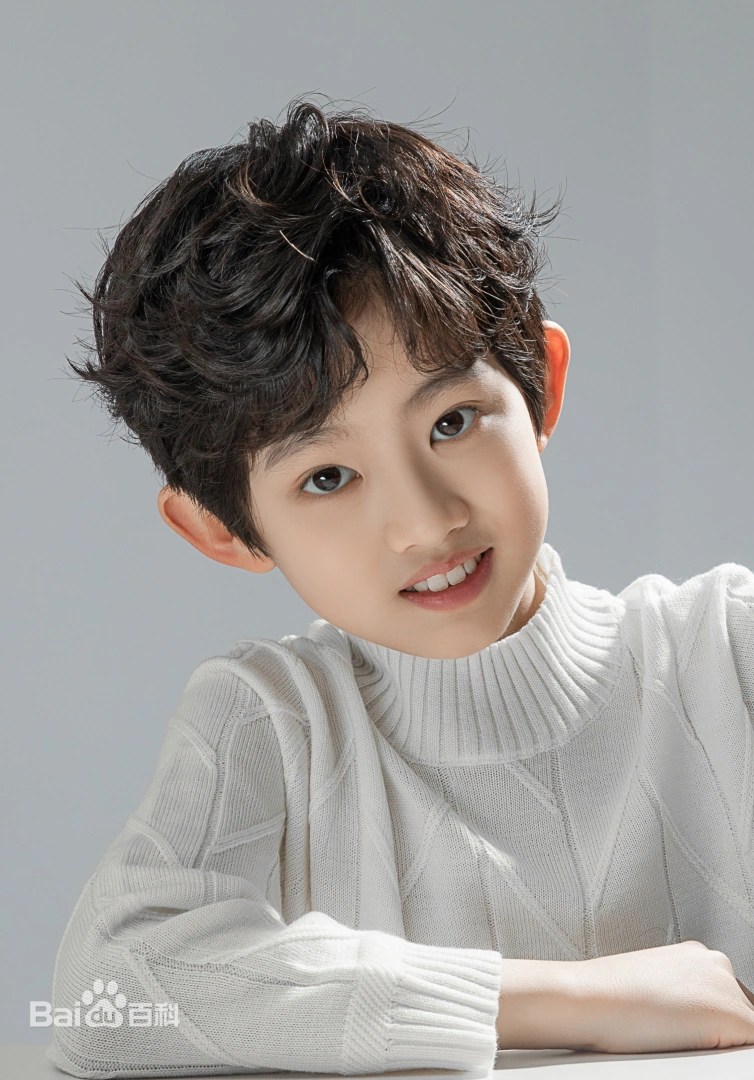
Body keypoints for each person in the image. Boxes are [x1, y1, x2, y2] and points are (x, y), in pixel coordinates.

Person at [46, 98, 754, 1078]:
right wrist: (565, 1002)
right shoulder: (275, 724)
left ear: (541, 386)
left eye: (452, 421)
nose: (425, 522)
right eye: (327, 477)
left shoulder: (726, 654)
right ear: (222, 529)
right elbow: (102, 996)